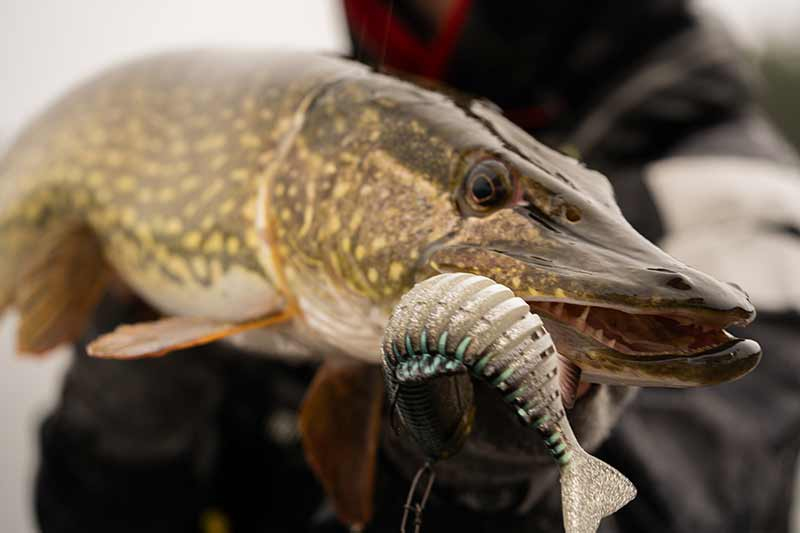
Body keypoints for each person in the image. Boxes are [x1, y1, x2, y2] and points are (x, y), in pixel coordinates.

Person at [35, 1, 800, 531]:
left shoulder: (739, 196)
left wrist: (498, 490)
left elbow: (694, 504)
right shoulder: (314, 136)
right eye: (484, 193)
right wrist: (127, 416)